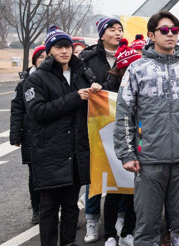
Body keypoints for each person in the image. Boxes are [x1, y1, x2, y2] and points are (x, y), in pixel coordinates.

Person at [113, 11, 179, 246]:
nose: (170, 34)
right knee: (147, 226)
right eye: (164, 30)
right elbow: (124, 114)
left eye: (175, 30)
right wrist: (126, 153)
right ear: (152, 34)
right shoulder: (137, 69)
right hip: (149, 160)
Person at [24, 26, 101, 246]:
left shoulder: (81, 74)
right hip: (49, 152)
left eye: (67, 46)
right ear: (49, 51)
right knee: (48, 207)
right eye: (58, 47)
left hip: (76, 151)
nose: (65, 51)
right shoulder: (37, 79)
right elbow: (37, 112)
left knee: (70, 206)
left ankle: (68, 242)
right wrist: (75, 97)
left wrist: (96, 91)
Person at [79, 17, 125, 242]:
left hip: (124, 120)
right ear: (101, 34)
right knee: (95, 172)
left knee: (123, 169)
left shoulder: (130, 54)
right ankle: (91, 218)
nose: (117, 33)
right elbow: (79, 86)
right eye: (112, 29)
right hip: (98, 121)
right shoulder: (87, 58)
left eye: (120, 29)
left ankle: (121, 218)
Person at [102, 43, 141, 246]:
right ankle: (109, 234)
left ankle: (127, 232)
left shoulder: (143, 82)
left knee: (134, 191)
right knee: (113, 192)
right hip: (112, 146)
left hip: (137, 143)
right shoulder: (108, 86)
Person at [10, 45, 46, 225]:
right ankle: (37, 209)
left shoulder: (56, 78)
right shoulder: (24, 82)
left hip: (50, 135)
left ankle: (53, 210)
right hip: (30, 135)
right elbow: (17, 110)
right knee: (35, 175)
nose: (44, 59)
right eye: (41, 56)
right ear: (34, 59)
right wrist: (15, 135)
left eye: (47, 56)